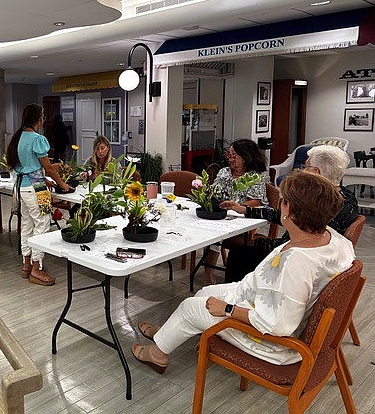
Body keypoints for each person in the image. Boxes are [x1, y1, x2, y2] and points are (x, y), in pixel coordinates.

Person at [132, 170, 354, 374]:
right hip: (257, 300)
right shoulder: (336, 239)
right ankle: (167, 333)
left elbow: (279, 325)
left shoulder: (297, 263)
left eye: (283, 202)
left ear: (289, 211)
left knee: (190, 307)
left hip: (271, 343)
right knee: (204, 293)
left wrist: (228, 309)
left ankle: (157, 354)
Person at [221, 144, 358, 282]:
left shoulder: (325, 205)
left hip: (295, 261)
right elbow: (289, 218)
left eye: (305, 167)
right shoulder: (344, 197)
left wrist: (253, 242)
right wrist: (245, 210)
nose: (303, 171)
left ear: (316, 172)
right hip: (307, 255)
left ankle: (237, 293)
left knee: (239, 250)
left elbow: (289, 247)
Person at [6, 104, 71, 286]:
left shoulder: (18, 137)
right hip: (36, 190)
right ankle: (37, 268)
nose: (43, 119)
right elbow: (48, 167)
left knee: (27, 225)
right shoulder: (37, 139)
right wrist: (61, 183)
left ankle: (26, 265)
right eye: (42, 116)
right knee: (42, 225)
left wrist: (46, 180)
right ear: (38, 118)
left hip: (21, 187)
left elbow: (29, 167)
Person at [204, 139, 268, 283]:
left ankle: (212, 275)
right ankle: (208, 275)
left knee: (215, 234)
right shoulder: (224, 172)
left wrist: (236, 206)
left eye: (234, 155)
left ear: (245, 158)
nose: (230, 158)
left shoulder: (254, 177)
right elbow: (214, 192)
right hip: (222, 216)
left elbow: (256, 201)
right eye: (230, 154)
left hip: (242, 220)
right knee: (211, 233)